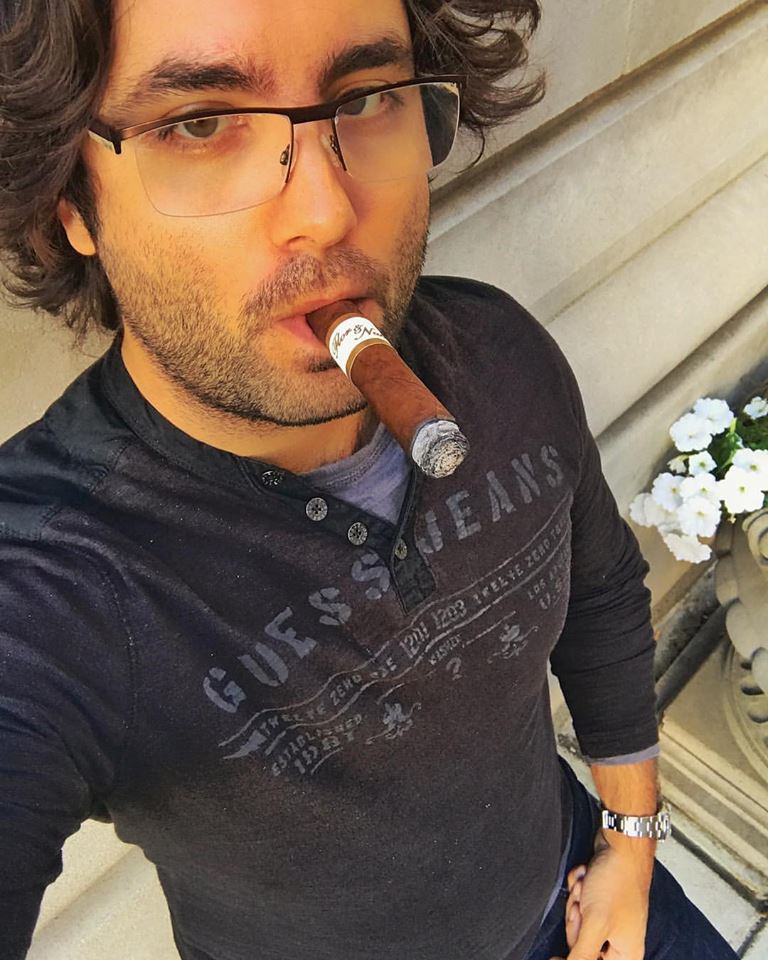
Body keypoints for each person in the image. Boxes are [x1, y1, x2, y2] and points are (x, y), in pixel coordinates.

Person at [0, 2, 740, 959]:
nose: (325, 210)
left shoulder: (499, 354)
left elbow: (599, 595)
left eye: (365, 98)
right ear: (70, 202)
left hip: (586, 894)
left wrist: (631, 845)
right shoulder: (48, 587)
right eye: (200, 123)